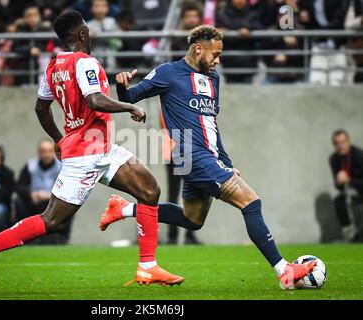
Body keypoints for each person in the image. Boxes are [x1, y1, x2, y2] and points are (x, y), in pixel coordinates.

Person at [0, 10, 183, 289]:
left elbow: (41, 108)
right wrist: (130, 107)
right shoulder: (85, 62)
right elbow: (95, 100)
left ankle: (147, 266)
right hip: (86, 156)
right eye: (88, 31)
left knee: (150, 190)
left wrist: (57, 138)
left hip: (102, 148)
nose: (90, 35)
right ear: (81, 34)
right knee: (51, 220)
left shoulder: (52, 67)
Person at [100, 25, 317, 289]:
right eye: (215, 54)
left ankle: (122, 209)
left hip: (207, 158)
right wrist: (122, 87)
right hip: (192, 156)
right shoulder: (169, 73)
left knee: (192, 220)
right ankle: (284, 271)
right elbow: (131, 96)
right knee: (251, 202)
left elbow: (212, 124)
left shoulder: (213, 79)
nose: (218, 60)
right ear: (198, 49)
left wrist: (226, 162)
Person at [15, 139, 74, 244]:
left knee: (69, 204)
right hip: (34, 202)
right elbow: (19, 186)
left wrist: (49, 195)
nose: (46, 154)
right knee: (19, 202)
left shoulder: (63, 167)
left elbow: (70, 188)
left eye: (49, 151)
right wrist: (31, 194)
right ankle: (23, 235)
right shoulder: (30, 166)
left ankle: (60, 238)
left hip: (55, 203)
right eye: (43, 151)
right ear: (38, 152)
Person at [329, 130, 363, 242]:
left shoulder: (359, 156)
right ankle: (350, 233)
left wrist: (349, 180)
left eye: (343, 142)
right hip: (349, 192)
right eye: (337, 143)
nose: (340, 146)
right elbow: (338, 186)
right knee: (339, 201)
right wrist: (339, 182)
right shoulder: (334, 159)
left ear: (348, 141)